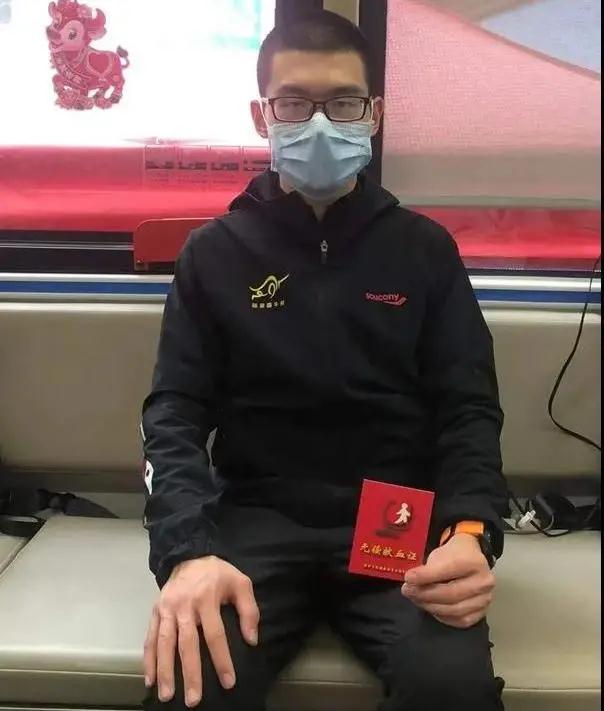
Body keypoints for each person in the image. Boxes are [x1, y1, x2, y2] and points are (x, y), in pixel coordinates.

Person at [141, 10, 508, 711]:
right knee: (189, 685)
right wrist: (186, 552)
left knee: (451, 690)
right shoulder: (214, 255)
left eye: (342, 103)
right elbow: (172, 415)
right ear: (262, 115)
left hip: (394, 517)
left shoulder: (424, 251)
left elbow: (468, 409)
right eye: (293, 104)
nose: (318, 124)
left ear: (374, 115)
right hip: (255, 519)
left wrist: (470, 532)